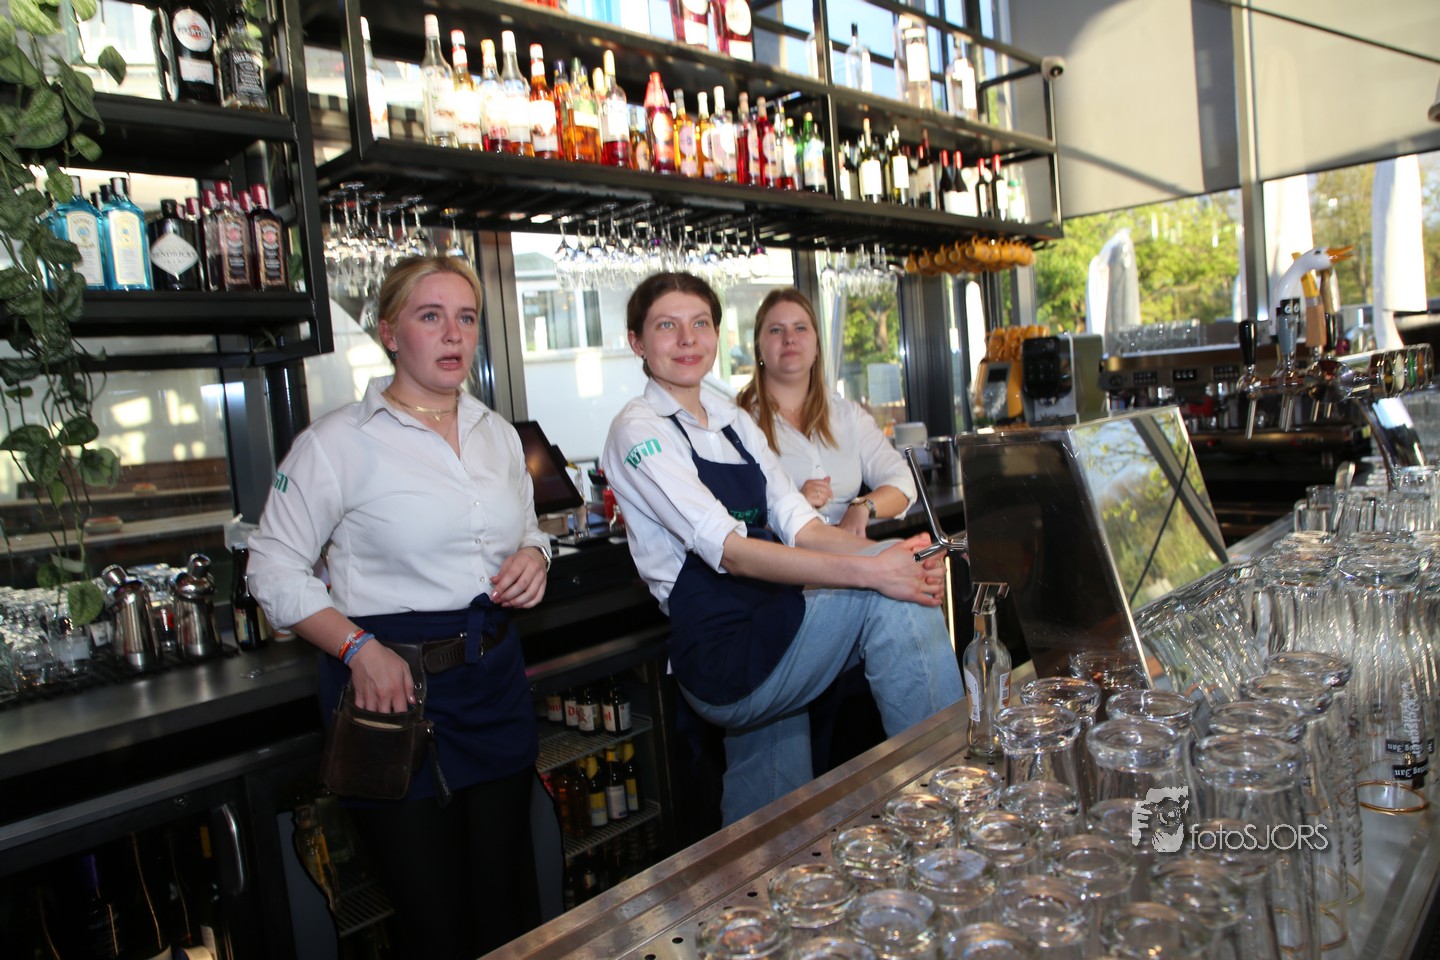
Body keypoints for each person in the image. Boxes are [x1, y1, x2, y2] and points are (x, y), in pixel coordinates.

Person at [247, 255, 550, 959]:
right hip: (389, 696)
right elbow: (271, 566)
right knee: (432, 924)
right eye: (430, 316)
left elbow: (530, 528)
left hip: (492, 685)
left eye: (466, 318)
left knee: (505, 909)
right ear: (389, 333)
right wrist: (356, 648)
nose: (454, 334)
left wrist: (535, 558)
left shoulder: (498, 434)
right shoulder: (336, 443)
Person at [601, 271, 962, 826]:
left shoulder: (733, 421)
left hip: (774, 617)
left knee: (770, 807)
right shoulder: (638, 428)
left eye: (700, 323)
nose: (687, 339)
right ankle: (952, 795)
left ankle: (757, 882)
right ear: (637, 342)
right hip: (724, 649)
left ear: (717, 335)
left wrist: (888, 556)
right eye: (667, 326)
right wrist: (877, 573)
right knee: (892, 600)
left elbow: (803, 526)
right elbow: (732, 551)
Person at [737, 287, 916, 537]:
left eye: (800, 328)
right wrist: (795, 504)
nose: (789, 338)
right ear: (759, 347)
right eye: (776, 330)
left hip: (848, 555)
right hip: (779, 559)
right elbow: (731, 516)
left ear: (817, 346)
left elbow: (902, 482)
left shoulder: (848, 415)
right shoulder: (736, 422)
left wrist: (863, 506)